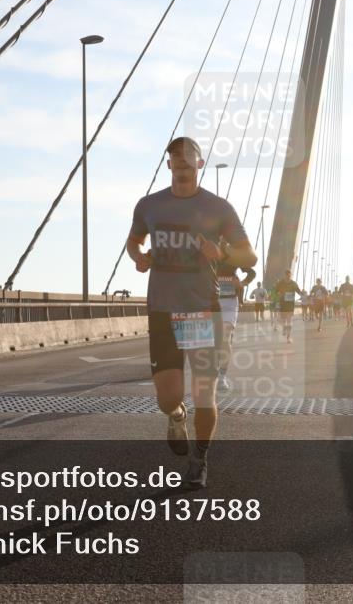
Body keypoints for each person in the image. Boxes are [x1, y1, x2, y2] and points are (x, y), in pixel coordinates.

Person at [126, 136, 256, 489]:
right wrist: (139, 257)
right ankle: (175, 416)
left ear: (200, 164)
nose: (182, 161)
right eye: (175, 157)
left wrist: (223, 254)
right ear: (169, 164)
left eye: (189, 156)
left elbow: (249, 257)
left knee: (204, 393)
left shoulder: (219, 208)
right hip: (162, 311)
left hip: (201, 311)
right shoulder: (149, 205)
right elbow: (133, 240)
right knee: (167, 397)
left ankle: (200, 458)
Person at [214, 245, 255, 393]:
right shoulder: (208, 251)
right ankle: (215, 367)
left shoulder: (234, 256)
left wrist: (242, 283)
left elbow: (252, 273)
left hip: (230, 302)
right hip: (212, 301)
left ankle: (222, 376)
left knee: (225, 336)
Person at [272, 270, 304, 344]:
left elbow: (298, 291)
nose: (288, 276)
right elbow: (275, 291)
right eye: (287, 275)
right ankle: (284, 328)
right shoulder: (281, 283)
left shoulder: (293, 283)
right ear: (285, 275)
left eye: (289, 275)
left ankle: (288, 337)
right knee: (284, 320)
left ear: (291, 275)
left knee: (289, 320)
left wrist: (303, 294)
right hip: (283, 303)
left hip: (290, 304)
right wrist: (278, 295)